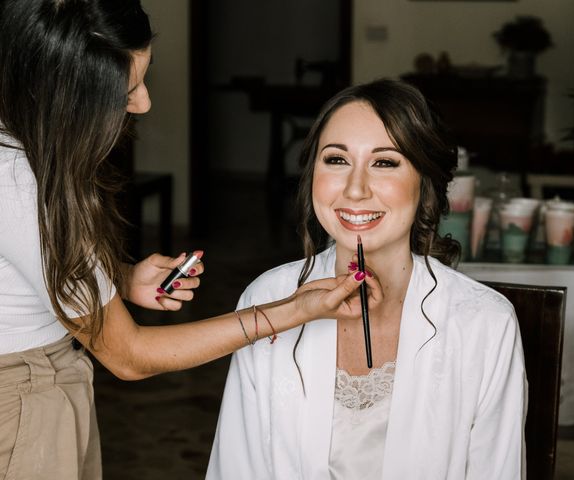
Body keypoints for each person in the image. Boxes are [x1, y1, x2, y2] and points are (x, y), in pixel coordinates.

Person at [0, 1, 382, 479]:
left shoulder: (20, 149)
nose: (143, 103)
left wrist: (118, 279)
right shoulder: (20, 183)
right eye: (124, 91)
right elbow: (130, 356)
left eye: (144, 76)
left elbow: (27, 269)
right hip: (22, 396)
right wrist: (293, 311)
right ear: (62, 95)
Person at [207, 79, 527, 479]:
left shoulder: (485, 323)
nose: (355, 189)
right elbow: (237, 467)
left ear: (425, 182)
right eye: (337, 160)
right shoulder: (268, 298)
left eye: (385, 162)